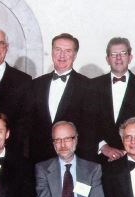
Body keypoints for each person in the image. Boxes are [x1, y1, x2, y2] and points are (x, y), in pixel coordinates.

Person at [87, 37, 135, 164]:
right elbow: (87, 124)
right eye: (114, 54)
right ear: (107, 59)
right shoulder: (92, 86)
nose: (118, 58)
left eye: (123, 53)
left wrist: (130, 151)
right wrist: (103, 147)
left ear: (130, 57)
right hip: (101, 160)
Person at [28, 33, 92, 163]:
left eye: (67, 51)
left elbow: (90, 128)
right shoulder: (35, 84)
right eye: (58, 50)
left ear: (74, 55)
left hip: (73, 158)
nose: (62, 55)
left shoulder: (87, 86)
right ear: (52, 52)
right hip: (38, 159)